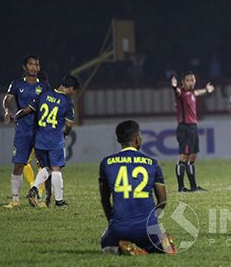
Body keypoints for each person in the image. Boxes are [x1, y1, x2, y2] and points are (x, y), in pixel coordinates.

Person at [98, 120, 175, 255]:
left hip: (119, 227)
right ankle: (162, 244)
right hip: (148, 227)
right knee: (159, 241)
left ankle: (121, 248)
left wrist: (113, 222)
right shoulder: (153, 163)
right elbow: (162, 201)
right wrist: (152, 219)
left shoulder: (106, 163)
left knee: (105, 243)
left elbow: (105, 200)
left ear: (118, 140)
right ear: (137, 139)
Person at [17, 74, 79, 207]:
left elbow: (29, 109)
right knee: (56, 169)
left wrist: (17, 116)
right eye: (73, 90)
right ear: (70, 88)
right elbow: (68, 125)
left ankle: (34, 188)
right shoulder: (67, 102)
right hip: (55, 139)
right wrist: (65, 134)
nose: (72, 93)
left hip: (40, 139)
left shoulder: (44, 95)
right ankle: (59, 201)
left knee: (47, 167)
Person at [2, 55, 49, 208]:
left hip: (40, 130)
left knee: (44, 165)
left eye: (36, 64)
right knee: (19, 164)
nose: (34, 67)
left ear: (39, 68)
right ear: (25, 67)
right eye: (30, 64)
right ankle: (15, 200)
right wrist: (7, 110)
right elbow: (7, 100)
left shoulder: (44, 86)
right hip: (22, 130)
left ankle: (40, 197)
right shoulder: (16, 84)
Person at [171, 71, 214, 192]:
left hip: (193, 128)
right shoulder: (181, 93)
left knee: (193, 156)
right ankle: (181, 188)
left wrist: (206, 90)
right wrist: (174, 87)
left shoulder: (192, 93)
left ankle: (194, 187)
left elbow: (198, 92)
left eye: (193, 79)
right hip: (184, 128)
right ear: (183, 82)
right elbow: (177, 91)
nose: (191, 82)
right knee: (183, 158)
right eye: (188, 80)